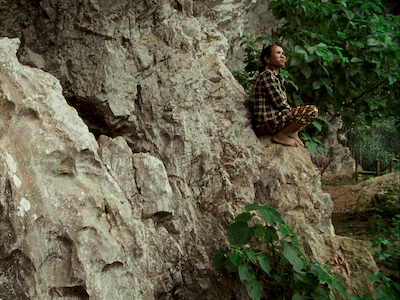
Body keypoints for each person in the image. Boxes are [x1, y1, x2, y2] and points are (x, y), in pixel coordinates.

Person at [253, 45, 318, 147]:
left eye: (283, 53)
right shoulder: (267, 75)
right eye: (278, 53)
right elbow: (280, 103)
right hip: (268, 123)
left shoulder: (276, 77)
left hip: (275, 119)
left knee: (304, 115)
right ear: (267, 58)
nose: (282, 56)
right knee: (311, 111)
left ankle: (291, 132)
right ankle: (281, 135)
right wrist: (295, 115)